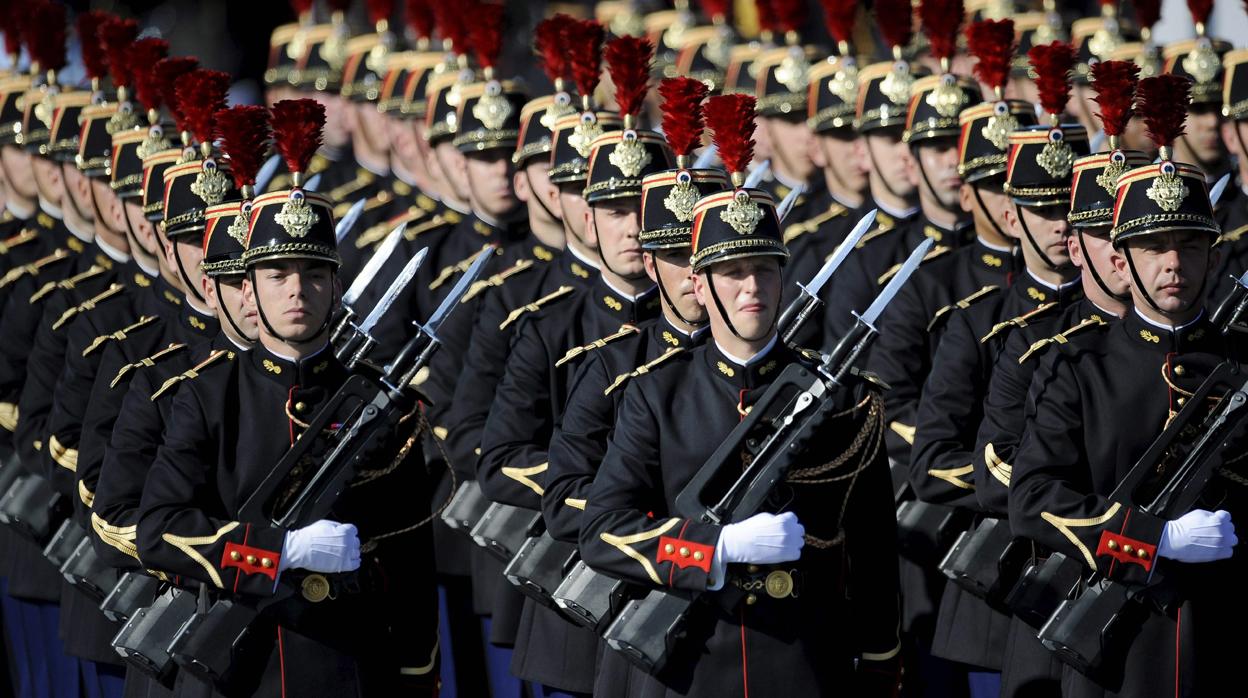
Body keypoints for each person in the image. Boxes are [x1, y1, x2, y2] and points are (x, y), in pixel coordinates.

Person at [579, 91, 900, 697]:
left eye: (765, 270)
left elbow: (874, 551)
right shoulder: (656, 393)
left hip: (808, 666)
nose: (752, 287)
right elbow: (603, 530)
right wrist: (715, 546)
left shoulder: (845, 398)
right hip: (692, 667)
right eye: (732, 272)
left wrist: (882, 661)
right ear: (698, 284)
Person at [136, 98, 438, 697]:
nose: (297, 291)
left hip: (355, 668)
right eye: (277, 276)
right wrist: (278, 551)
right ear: (246, 290)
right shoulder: (208, 395)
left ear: (336, 287)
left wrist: (417, 677)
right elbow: (160, 530)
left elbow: (411, 561)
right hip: (245, 674)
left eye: (314, 275)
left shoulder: (379, 401)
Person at [1009, 74, 1247, 697]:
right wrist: (1153, 539)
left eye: (1188, 247)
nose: (1172, 264)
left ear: (1213, 258)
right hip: (1117, 650)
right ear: (1119, 262)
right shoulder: (1077, 366)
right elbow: (1032, 498)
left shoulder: (1242, 365)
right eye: (1152, 248)